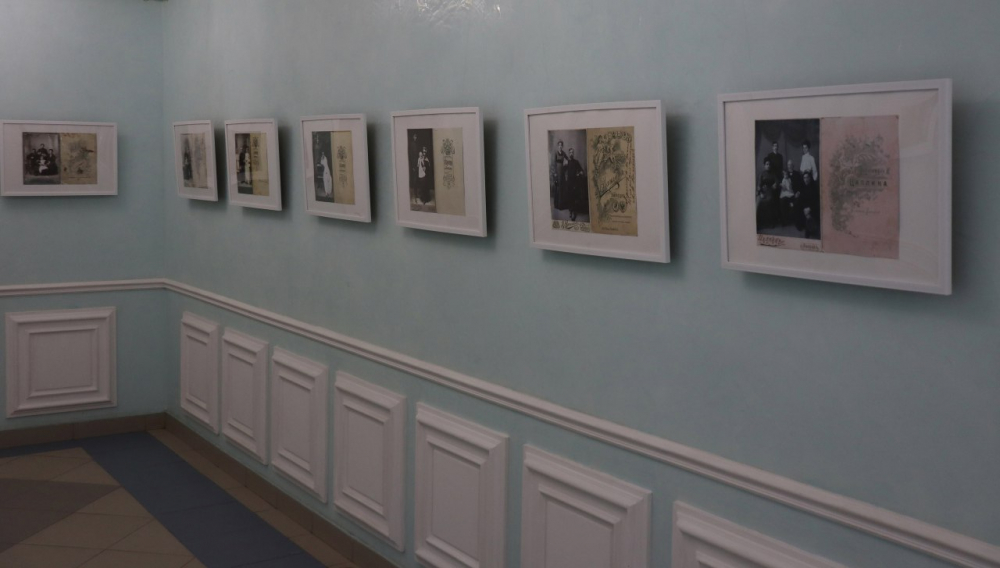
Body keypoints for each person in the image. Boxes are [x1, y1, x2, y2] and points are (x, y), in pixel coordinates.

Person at [756, 158, 779, 229]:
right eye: (767, 164)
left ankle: (771, 222)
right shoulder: (762, 174)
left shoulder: (773, 174)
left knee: (770, 201)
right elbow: (759, 185)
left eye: (769, 164)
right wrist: (760, 193)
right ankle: (757, 223)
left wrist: (775, 184)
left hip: (770, 191)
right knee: (758, 203)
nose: (768, 166)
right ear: (764, 165)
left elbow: (777, 181)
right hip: (762, 191)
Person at [565, 148, 586, 221]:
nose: (571, 153)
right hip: (569, 183)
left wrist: (579, 173)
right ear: (568, 153)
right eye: (570, 152)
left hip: (574, 183)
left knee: (574, 198)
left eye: (572, 152)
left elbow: (581, 171)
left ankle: (574, 212)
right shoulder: (567, 162)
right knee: (569, 197)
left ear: (573, 153)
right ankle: (570, 211)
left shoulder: (576, 162)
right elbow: (563, 170)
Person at [552, 140, 568, 209]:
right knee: (557, 187)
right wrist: (555, 173)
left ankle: (561, 205)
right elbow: (554, 163)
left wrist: (565, 167)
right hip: (557, 172)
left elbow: (567, 160)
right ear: (558, 146)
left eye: (561, 145)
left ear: (562, 146)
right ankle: (557, 205)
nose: (560, 146)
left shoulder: (564, 153)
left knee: (562, 187)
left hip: (562, 172)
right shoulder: (555, 153)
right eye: (559, 145)